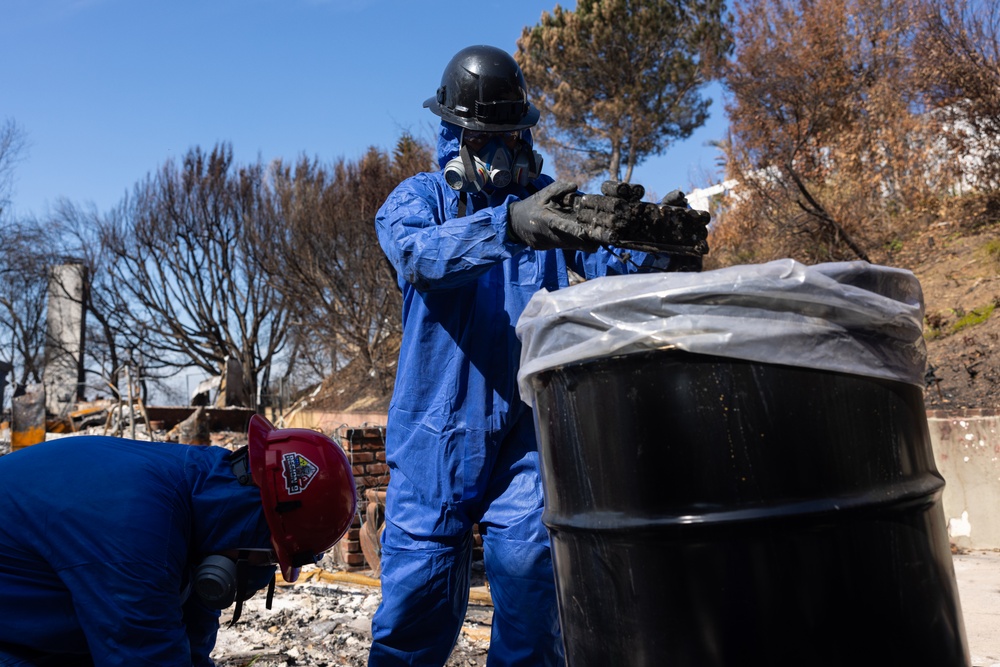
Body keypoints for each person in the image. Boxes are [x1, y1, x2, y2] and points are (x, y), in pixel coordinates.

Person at [370, 44, 687, 666]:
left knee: (532, 606)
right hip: (435, 444)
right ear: (456, 136)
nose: (510, 151)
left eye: (517, 135)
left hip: (523, 439)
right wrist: (508, 226)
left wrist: (649, 241)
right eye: (493, 137)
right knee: (414, 613)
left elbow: (607, 270)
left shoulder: (543, 203)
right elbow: (420, 258)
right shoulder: (419, 202)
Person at [0, 414, 357, 667]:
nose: (261, 575)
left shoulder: (205, 489)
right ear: (259, 527)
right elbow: (142, 649)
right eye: (269, 559)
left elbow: (190, 631)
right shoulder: (137, 527)